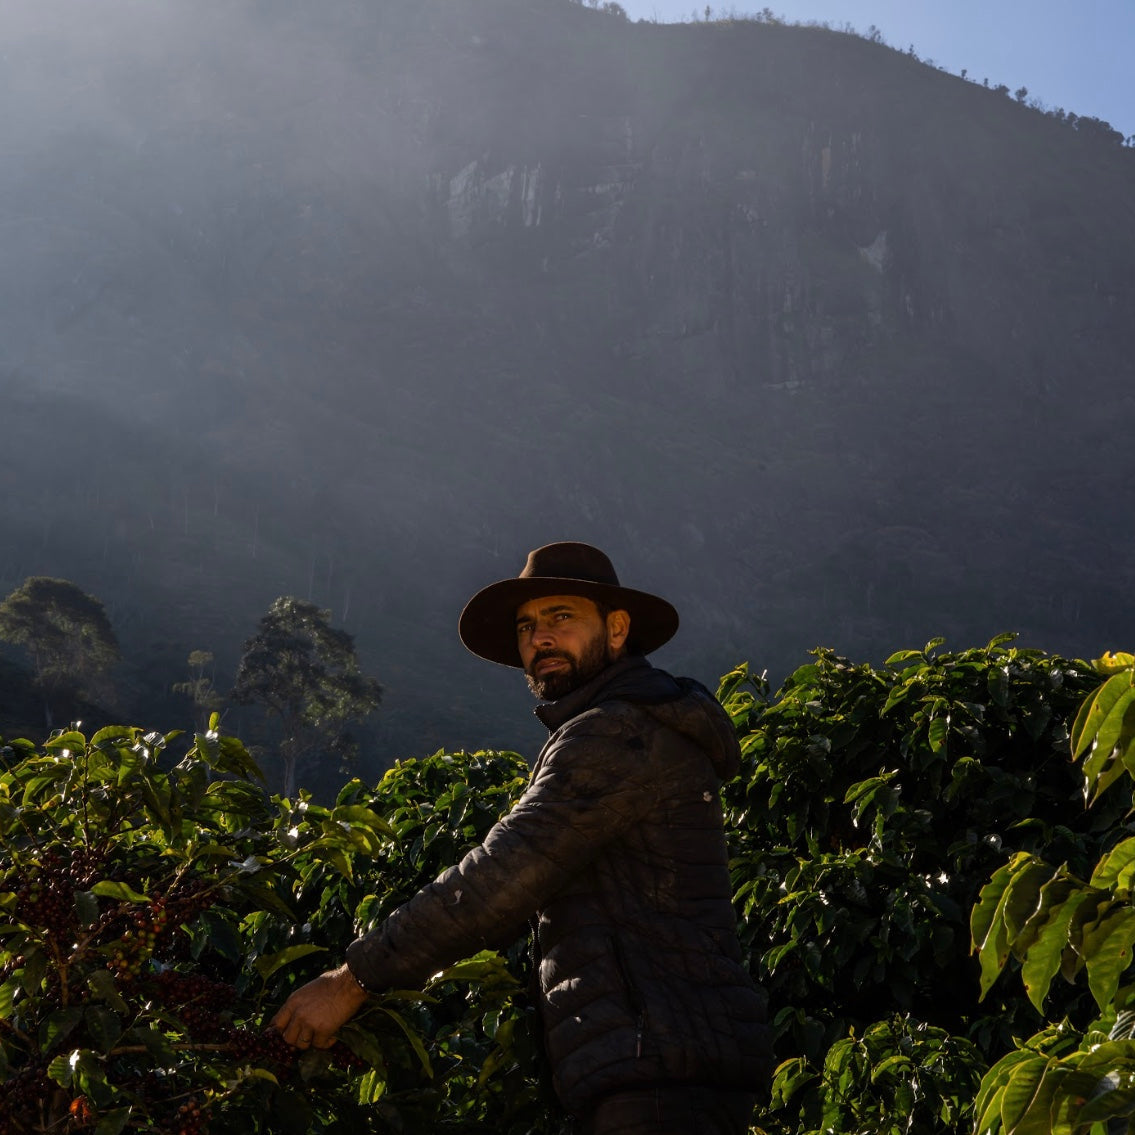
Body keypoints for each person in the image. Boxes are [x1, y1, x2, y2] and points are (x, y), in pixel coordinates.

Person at [271, 541, 772, 1133]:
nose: (540, 639)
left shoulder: (617, 732)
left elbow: (503, 874)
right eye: (527, 626)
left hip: (659, 1072)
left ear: (617, 629)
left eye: (561, 617)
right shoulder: (622, 724)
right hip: (659, 1063)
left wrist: (351, 980)